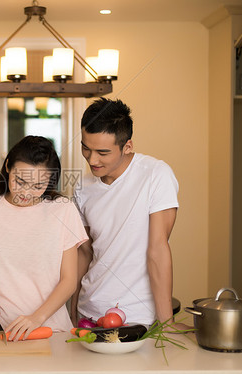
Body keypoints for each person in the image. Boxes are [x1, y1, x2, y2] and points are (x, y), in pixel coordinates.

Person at [71, 98, 188, 330]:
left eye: (102, 152)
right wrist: (73, 311)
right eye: (86, 148)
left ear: (127, 146)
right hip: (89, 312)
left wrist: (166, 324)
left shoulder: (156, 175)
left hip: (136, 316)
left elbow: (157, 250)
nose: (92, 160)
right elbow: (84, 252)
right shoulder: (82, 186)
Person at [0, 135, 88, 341]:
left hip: (51, 331)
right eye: (20, 181)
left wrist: (37, 318)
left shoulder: (63, 210)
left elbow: (69, 280)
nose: (26, 192)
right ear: (8, 166)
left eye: (38, 186)